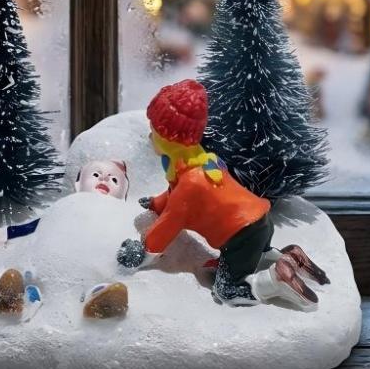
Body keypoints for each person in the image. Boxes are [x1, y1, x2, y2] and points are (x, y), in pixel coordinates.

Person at [122, 79, 329, 308]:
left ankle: (273, 279)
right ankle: (287, 258)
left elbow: (170, 223)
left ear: (171, 137)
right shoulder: (200, 160)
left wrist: (142, 253)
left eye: (154, 131)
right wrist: (156, 203)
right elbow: (175, 198)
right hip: (257, 224)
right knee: (253, 257)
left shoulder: (192, 180)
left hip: (241, 236)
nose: (149, 137)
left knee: (227, 290)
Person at [0, 160, 130, 251]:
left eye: (114, 179)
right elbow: (40, 225)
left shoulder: (121, 216)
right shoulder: (69, 206)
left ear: (123, 195)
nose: (103, 179)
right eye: (95, 175)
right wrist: (9, 234)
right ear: (78, 185)